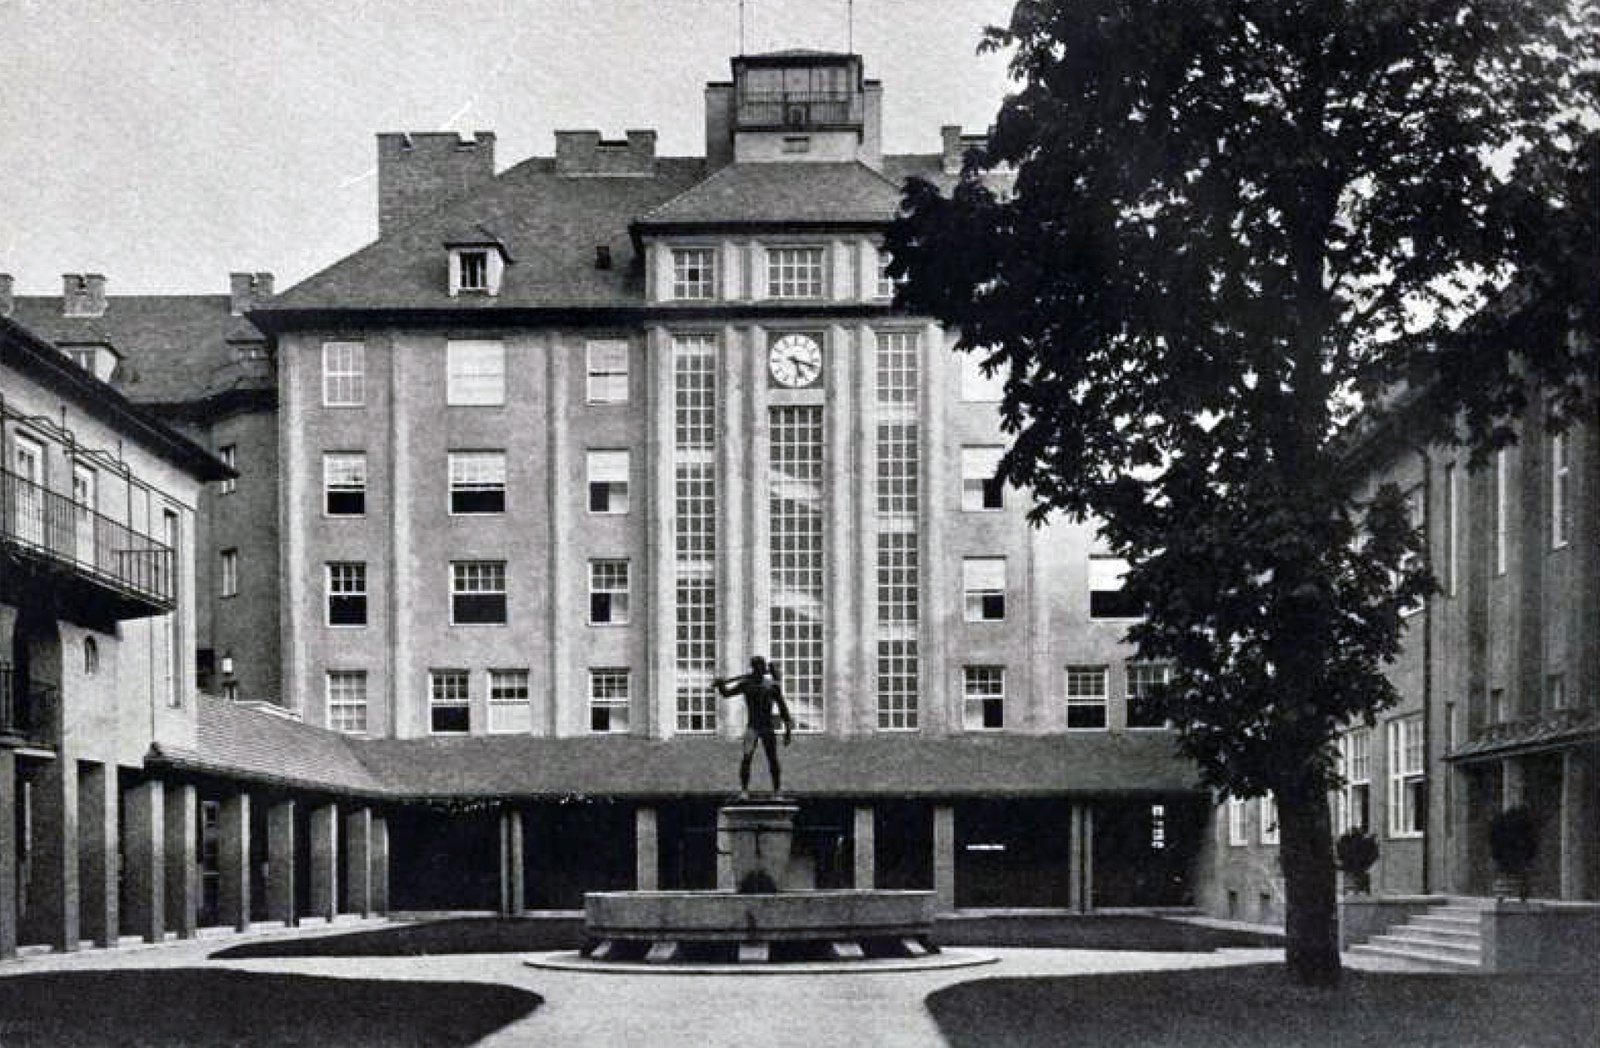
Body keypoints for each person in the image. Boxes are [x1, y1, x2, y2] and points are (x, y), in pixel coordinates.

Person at [712, 656, 794, 796]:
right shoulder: (746, 684)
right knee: (746, 758)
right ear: (754, 668)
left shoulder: (771, 686)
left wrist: (788, 731)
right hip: (752, 728)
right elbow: (727, 694)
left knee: (772, 759)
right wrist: (720, 685)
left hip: (767, 728)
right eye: (758, 666)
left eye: (762, 666)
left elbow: (783, 709)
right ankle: (744, 790)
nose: (761, 669)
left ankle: (777, 790)